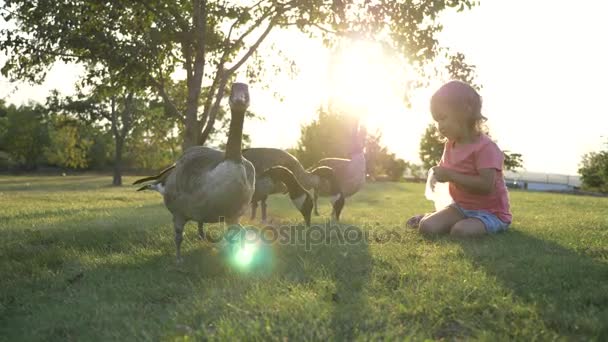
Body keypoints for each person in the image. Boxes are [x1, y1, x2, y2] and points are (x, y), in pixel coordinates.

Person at [406, 80, 511, 236]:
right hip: (461, 208)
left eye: (443, 118)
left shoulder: (486, 148)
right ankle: (431, 217)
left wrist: (451, 176)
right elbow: (446, 171)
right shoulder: (450, 146)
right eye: (437, 121)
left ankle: (463, 223)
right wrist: (437, 174)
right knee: (427, 227)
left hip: (490, 212)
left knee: (460, 231)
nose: (439, 125)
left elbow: (486, 185)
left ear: (465, 111)